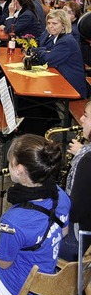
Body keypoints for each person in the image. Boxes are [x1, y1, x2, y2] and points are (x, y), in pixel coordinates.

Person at [0, 134, 70, 295]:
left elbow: (3, 262)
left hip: (15, 288)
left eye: (10, 162)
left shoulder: (14, 219)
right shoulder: (60, 195)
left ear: (19, 169)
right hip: (44, 276)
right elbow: (63, 231)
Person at [59, 100, 91, 261]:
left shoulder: (87, 160)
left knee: (29, 238)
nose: (81, 119)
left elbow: (74, 213)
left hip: (82, 241)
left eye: (86, 116)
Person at [35, 9, 87, 98]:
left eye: (54, 23)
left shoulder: (66, 41)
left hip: (72, 88)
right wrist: (42, 52)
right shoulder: (60, 38)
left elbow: (48, 60)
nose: (50, 26)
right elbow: (48, 50)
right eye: (49, 23)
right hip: (62, 81)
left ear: (63, 25)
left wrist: (39, 53)